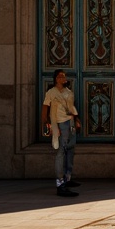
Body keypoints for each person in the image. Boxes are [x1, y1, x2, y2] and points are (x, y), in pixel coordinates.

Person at [42, 69, 81, 197]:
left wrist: (76, 120)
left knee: (70, 150)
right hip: (59, 124)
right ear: (56, 79)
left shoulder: (68, 92)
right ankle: (60, 184)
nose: (64, 78)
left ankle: (67, 178)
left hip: (69, 124)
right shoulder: (51, 93)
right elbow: (45, 108)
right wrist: (48, 124)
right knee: (60, 152)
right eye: (61, 76)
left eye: (64, 76)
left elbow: (71, 108)